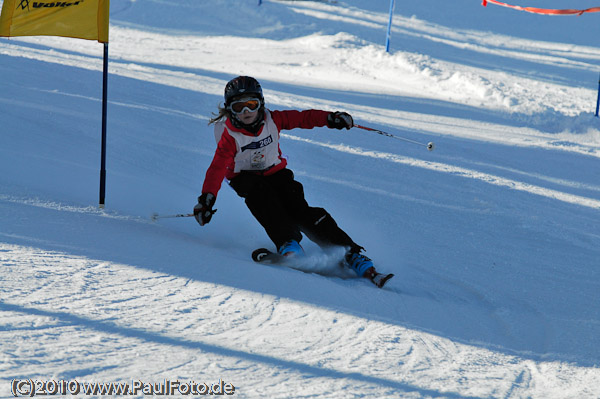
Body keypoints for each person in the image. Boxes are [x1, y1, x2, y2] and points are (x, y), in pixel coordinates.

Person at [194, 76, 393, 287]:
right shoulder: (230, 135)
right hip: (245, 177)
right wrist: (207, 199)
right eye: (239, 107)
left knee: (301, 211)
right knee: (263, 200)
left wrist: (330, 119)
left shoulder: (274, 119)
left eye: (251, 105)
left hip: (276, 173)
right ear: (230, 109)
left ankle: (349, 253)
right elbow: (217, 168)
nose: (246, 112)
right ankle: (289, 244)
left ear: (261, 103)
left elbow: (303, 118)